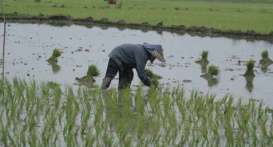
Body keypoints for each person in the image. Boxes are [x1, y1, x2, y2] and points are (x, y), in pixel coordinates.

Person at [101, 43, 166, 90]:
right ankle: (101, 91)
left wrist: (148, 79)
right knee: (109, 76)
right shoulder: (142, 54)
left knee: (129, 75)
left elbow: (140, 69)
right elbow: (141, 74)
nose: (155, 59)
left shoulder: (144, 54)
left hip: (126, 63)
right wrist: (151, 85)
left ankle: (122, 93)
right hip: (116, 56)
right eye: (155, 57)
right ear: (152, 54)